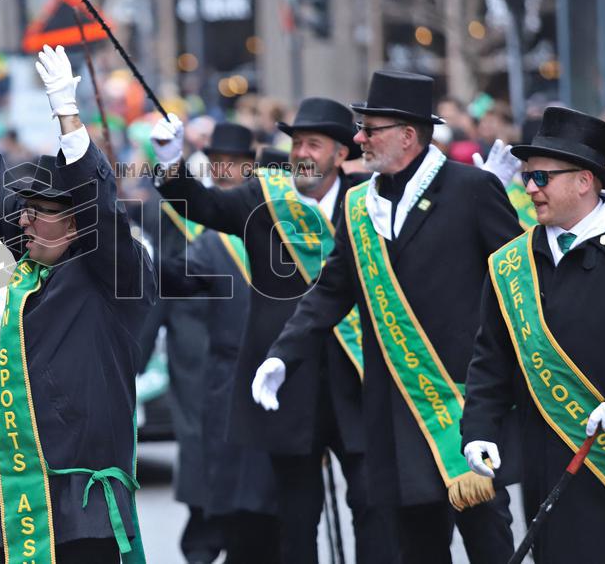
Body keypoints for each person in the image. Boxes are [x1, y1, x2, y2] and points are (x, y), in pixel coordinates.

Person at [254, 71, 522, 563]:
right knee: (415, 546)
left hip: (461, 405)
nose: (359, 138)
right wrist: (282, 355)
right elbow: (331, 292)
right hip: (392, 411)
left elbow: (517, 286)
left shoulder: (471, 189)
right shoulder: (360, 204)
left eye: (370, 128)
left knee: (488, 541)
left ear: (407, 135)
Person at [0, 44, 157, 564]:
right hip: (16, 495)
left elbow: (102, 209)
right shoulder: (36, 255)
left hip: (78, 506)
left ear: (77, 221)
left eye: (41, 211)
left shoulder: (114, 271)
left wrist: (67, 114)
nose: (24, 220)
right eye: (26, 210)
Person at [151, 98, 393, 563]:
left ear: (341, 154)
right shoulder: (265, 196)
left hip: (357, 377)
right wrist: (170, 162)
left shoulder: (370, 197)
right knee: (295, 516)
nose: (302, 152)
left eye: (314, 144)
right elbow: (204, 206)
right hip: (285, 379)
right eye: (297, 142)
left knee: (371, 500)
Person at [461, 106, 605, 563]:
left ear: (584, 181)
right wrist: (479, 430)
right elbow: (492, 356)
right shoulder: (511, 262)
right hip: (547, 463)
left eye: (541, 178)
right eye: (527, 177)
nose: (529, 189)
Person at [160, 123, 279, 563]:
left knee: (282, 502)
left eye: (232, 163)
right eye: (216, 164)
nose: (223, 170)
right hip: (226, 380)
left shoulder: (282, 227)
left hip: (282, 377)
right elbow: (174, 277)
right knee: (228, 494)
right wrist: (126, 249)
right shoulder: (210, 239)